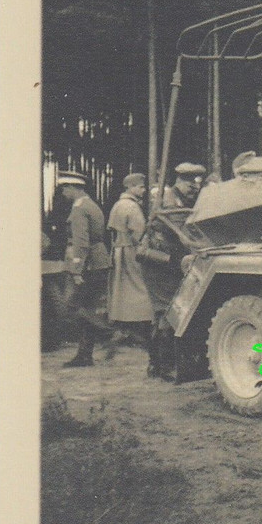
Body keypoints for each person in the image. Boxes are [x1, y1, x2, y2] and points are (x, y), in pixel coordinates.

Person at [141, 161, 203, 380]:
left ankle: (157, 365)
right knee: (167, 311)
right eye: (189, 183)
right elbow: (182, 231)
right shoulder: (168, 199)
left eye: (196, 184)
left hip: (170, 260)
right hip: (158, 261)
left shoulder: (181, 198)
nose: (193, 188)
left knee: (165, 312)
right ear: (179, 180)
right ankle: (163, 365)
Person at [57, 171, 112, 368]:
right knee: (87, 307)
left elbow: (81, 242)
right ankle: (85, 354)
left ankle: (110, 332)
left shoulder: (79, 209)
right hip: (99, 261)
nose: (63, 192)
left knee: (73, 307)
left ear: (73, 188)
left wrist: (77, 269)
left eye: (64, 188)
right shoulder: (91, 205)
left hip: (88, 264)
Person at [105, 172, 153, 350]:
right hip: (131, 251)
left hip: (119, 249)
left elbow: (112, 229)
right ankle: (141, 327)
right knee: (140, 286)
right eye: (140, 187)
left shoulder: (118, 205)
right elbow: (138, 232)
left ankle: (124, 325)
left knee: (121, 289)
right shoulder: (132, 207)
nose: (143, 190)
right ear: (131, 188)